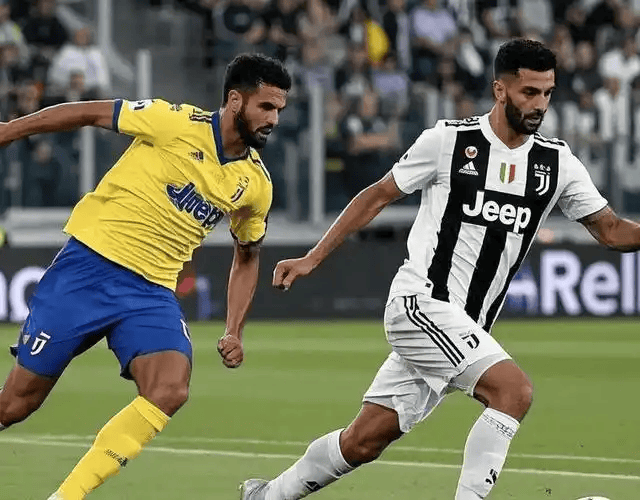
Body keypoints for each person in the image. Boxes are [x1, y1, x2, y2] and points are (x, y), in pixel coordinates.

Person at [241, 38, 640, 500]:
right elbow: (377, 195)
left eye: (547, 93)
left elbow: (611, 230)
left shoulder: (556, 163)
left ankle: (268, 495)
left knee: (364, 440)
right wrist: (313, 257)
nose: (540, 105)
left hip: (464, 327)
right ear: (500, 90)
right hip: (421, 303)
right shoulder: (449, 142)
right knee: (513, 392)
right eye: (529, 92)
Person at [0, 52, 291, 500]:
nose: (274, 119)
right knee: (15, 405)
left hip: (150, 292)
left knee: (170, 388)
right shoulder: (173, 122)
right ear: (236, 100)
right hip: (88, 269)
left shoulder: (256, 184)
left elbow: (248, 255)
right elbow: (88, 112)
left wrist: (234, 329)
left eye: (279, 110)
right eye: (266, 106)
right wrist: (9, 130)